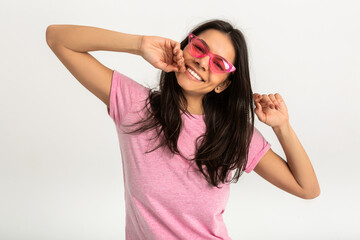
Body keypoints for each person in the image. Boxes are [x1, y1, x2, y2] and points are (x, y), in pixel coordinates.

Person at [46, 19, 320, 240]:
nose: (203, 62)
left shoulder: (233, 134)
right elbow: (57, 38)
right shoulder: (135, 106)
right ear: (185, 46)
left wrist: (282, 127)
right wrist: (138, 44)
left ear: (223, 84)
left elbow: (307, 188)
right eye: (200, 48)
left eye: (219, 63)